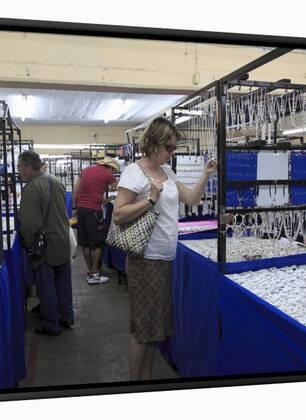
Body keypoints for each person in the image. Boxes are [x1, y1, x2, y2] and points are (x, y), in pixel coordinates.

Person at [112, 116, 217, 380]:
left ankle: (144, 381)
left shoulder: (167, 172)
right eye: (169, 147)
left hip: (166, 258)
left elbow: (191, 199)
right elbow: (118, 215)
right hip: (146, 259)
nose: (172, 153)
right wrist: (150, 198)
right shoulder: (134, 172)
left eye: (174, 148)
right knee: (144, 330)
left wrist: (205, 174)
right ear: (153, 143)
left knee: (154, 331)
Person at [18, 150, 74, 336]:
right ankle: (66, 315)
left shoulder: (32, 188)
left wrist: (28, 243)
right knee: (63, 282)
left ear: (27, 167)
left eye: (19, 167)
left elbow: (29, 223)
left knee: (46, 285)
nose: (19, 172)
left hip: (45, 244)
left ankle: (50, 323)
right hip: (62, 238)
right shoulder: (56, 182)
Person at [73, 156, 119, 284]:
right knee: (98, 243)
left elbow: (76, 190)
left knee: (85, 243)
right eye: (113, 171)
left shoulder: (86, 170)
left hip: (81, 209)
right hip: (94, 211)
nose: (113, 173)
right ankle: (95, 274)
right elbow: (118, 187)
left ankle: (91, 273)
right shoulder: (107, 175)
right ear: (109, 167)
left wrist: (74, 208)